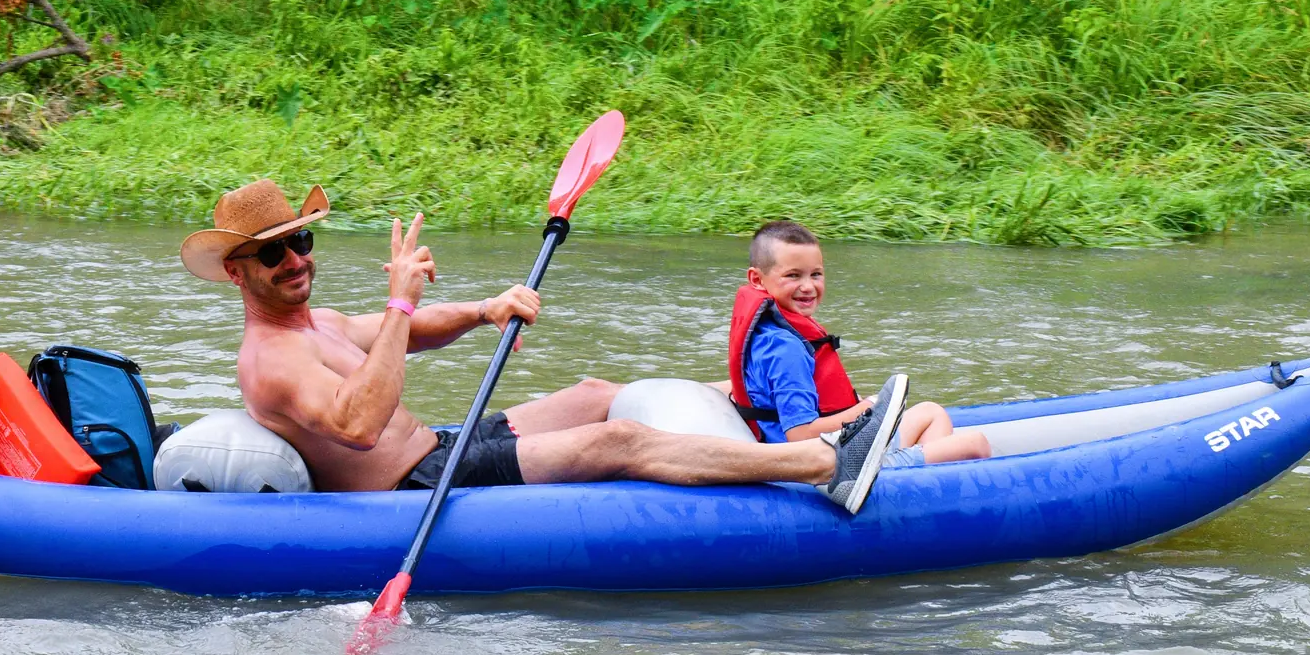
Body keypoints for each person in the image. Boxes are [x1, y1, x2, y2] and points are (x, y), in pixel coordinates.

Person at [180, 180, 906, 512]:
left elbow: (407, 333)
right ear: (238, 272)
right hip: (414, 486)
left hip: (442, 445)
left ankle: (750, 408)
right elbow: (360, 422)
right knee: (618, 439)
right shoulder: (270, 360)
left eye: (301, 242)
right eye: (273, 254)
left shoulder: (318, 322)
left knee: (594, 394)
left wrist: (484, 309)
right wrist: (402, 298)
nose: (295, 261)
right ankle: (823, 462)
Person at [728, 220, 990, 470]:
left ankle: (909, 480)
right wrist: (867, 409)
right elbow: (800, 435)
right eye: (793, 275)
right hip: (828, 462)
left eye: (816, 274)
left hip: (831, 448)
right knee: (975, 444)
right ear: (757, 279)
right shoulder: (786, 348)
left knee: (932, 413)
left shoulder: (769, 333)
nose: (808, 286)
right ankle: (888, 471)